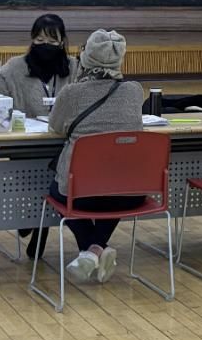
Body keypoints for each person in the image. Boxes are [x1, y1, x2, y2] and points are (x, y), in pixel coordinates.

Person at [49, 29, 145, 284]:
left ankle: (90, 250)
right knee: (117, 184)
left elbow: (56, 127)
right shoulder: (134, 91)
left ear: (86, 57)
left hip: (80, 192)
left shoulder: (71, 93)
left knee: (57, 191)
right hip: (130, 192)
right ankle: (96, 248)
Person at [0, 13, 77, 258]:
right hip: (24, 145)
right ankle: (32, 221)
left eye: (52, 42)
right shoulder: (13, 69)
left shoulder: (74, 67)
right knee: (41, 178)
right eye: (40, 40)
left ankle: (39, 228)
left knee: (58, 177)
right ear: (32, 40)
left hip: (64, 143)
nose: (45, 46)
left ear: (62, 42)